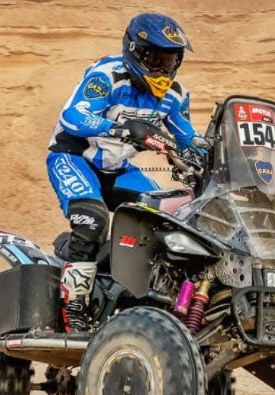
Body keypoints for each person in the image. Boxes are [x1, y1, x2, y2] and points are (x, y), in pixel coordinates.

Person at [46, 12, 204, 332]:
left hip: (119, 169)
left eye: (170, 59)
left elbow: (189, 138)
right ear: (133, 51)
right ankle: (72, 307)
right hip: (75, 157)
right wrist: (120, 128)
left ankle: (129, 293)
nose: (162, 67)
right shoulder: (107, 75)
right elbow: (72, 116)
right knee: (93, 219)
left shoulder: (173, 95)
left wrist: (211, 154)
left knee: (168, 217)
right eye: (154, 57)